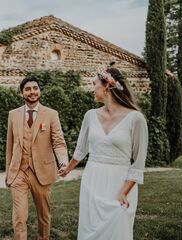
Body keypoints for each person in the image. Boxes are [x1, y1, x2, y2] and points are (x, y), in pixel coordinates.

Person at [59, 62, 148, 240]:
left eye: (94, 83)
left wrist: (124, 192)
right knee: (90, 231)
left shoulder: (135, 118)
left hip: (120, 183)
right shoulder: (90, 115)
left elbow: (138, 163)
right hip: (92, 180)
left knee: (117, 230)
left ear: (107, 85)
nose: (92, 88)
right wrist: (68, 168)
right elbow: (81, 149)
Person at [5, 76, 69, 240]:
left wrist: (63, 162)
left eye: (35, 88)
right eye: (28, 89)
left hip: (42, 172)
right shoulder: (13, 115)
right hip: (19, 172)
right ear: (22, 93)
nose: (32, 92)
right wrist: (8, 173)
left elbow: (59, 142)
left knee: (43, 216)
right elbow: (10, 147)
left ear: (39, 90)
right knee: (19, 217)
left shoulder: (51, 114)